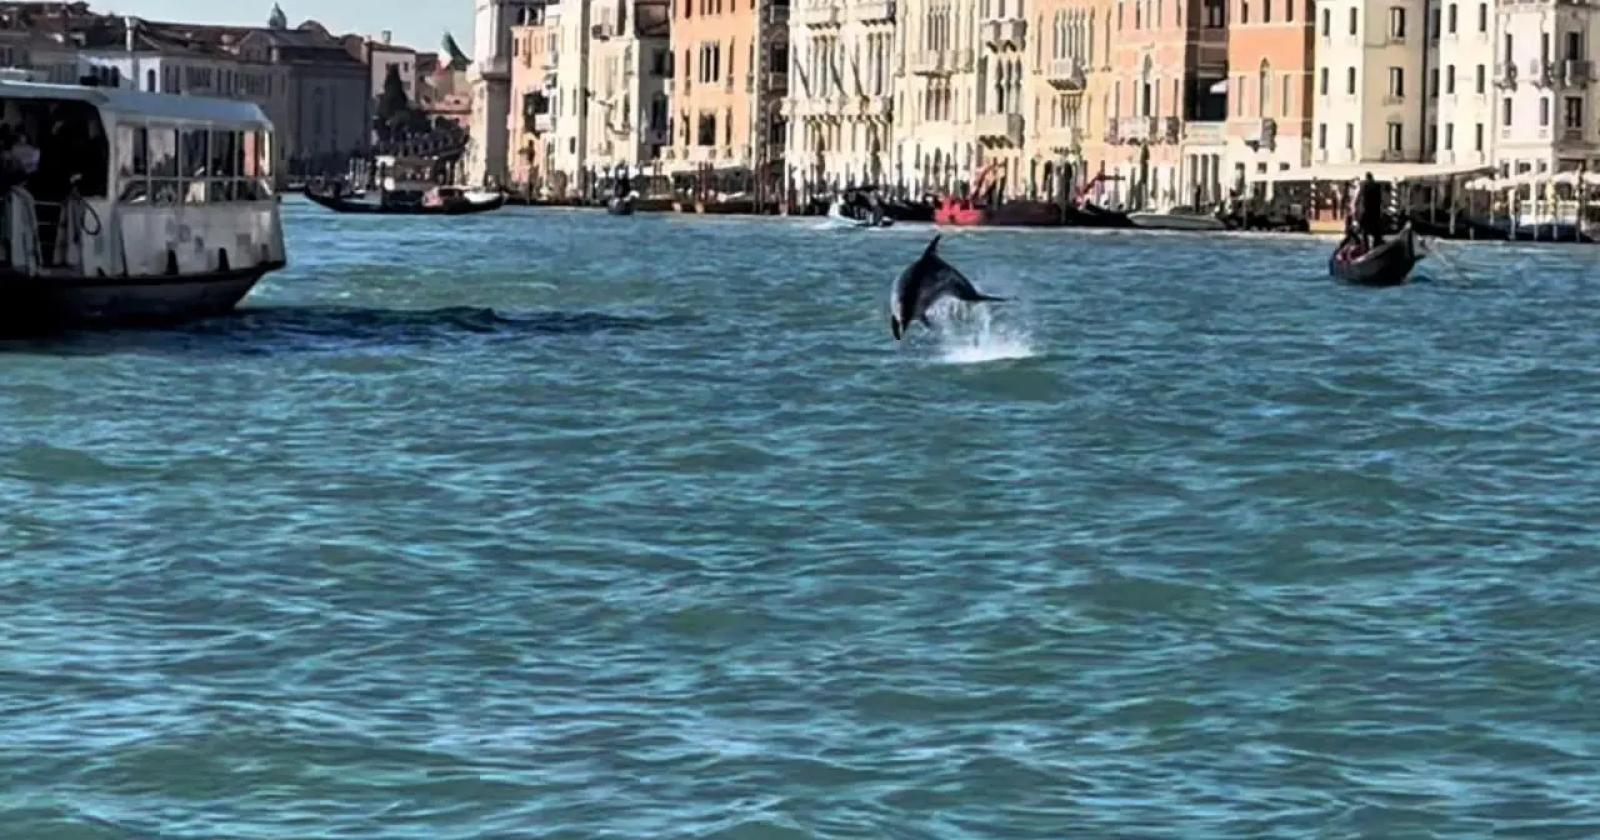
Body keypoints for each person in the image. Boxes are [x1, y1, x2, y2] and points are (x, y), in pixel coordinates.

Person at [1355, 171, 1384, 248]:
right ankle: (1376, 245)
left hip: (1368, 210)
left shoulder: (1365, 186)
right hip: (1375, 210)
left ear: (1367, 178)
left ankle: (1366, 246)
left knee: (1364, 229)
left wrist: (1357, 205)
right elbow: (1381, 199)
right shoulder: (1377, 186)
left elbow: (1359, 197)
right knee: (1376, 230)